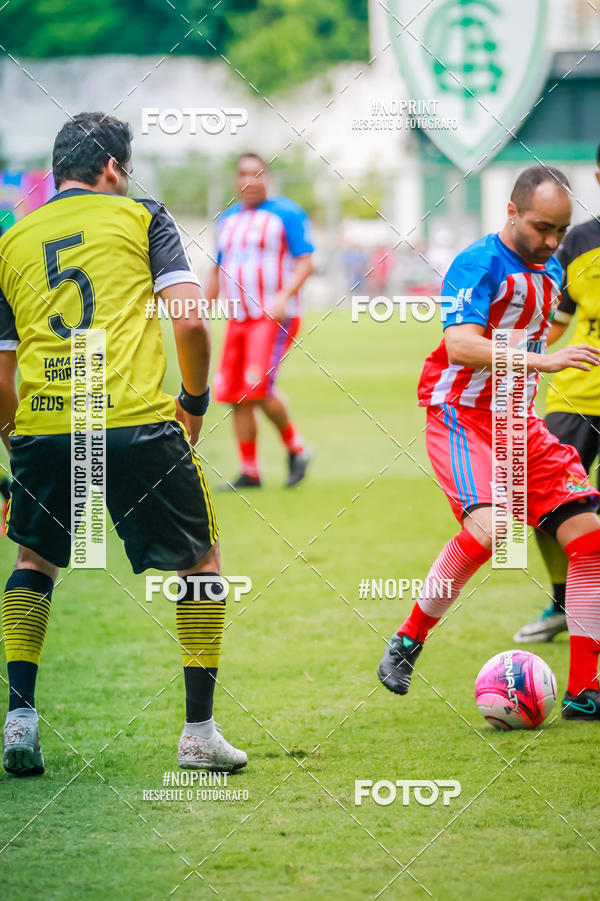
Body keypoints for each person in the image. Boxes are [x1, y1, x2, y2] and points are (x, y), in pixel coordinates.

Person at [0, 112, 246, 775]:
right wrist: (193, 401)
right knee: (201, 560)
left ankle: (19, 719)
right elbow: (190, 318)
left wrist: (14, 455)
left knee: (34, 557)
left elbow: (0, 372)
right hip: (135, 419)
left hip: (44, 426)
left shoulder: (13, 239)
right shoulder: (141, 216)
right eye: (127, 169)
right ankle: (198, 733)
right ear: (112, 169)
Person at [378, 165, 600, 720]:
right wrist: (541, 360)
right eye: (541, 227)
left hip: (517, 422)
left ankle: (585, 689)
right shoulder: (479, 262)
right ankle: (408, 639)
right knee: (493, 526)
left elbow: (537, 328)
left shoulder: (550, 270)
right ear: (511, 212)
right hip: (461, 415)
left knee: (589, 539)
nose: (552, 242)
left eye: (560, 230)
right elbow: (460, 346)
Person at [514, 145, 600, 643]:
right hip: (576, 394)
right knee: (545, 505)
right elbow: (554, 324)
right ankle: (562, 603)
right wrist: (507, 356)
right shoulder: (577, 243)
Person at [208, 153, 315, 489]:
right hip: (238, 317)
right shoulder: (227, 220)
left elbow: (306, 261)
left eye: (256, 174)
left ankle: (297, 448)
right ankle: (250, 470)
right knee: (233, 392)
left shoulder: (286, 213)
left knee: (256, 387)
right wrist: (202, 311)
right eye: (242, 174)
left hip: (272, 317)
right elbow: (217, 269)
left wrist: (284, 296)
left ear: (267, 177)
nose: (249, 181)